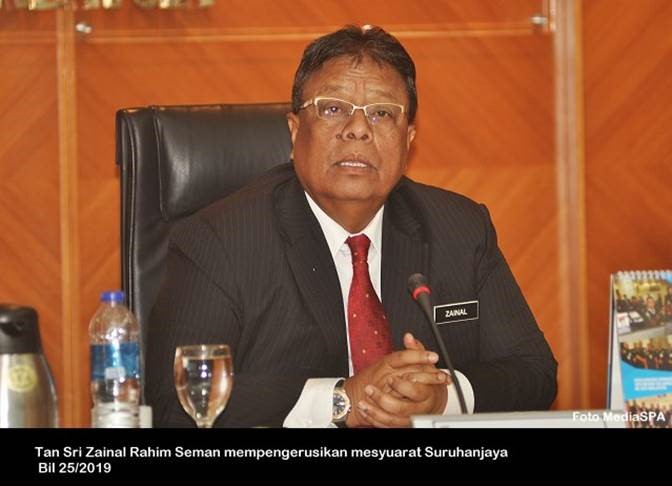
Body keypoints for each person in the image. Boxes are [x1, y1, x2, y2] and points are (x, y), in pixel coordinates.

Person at [145, 25, 557, 428]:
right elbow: (174, 402)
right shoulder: (219, 241)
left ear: (408, 139)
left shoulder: (460, 229)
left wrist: (442, 398)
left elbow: (534, 372)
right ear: (294, 131)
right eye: (333, 108)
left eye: (382, 113)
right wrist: (342, 400)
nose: (358, 129)